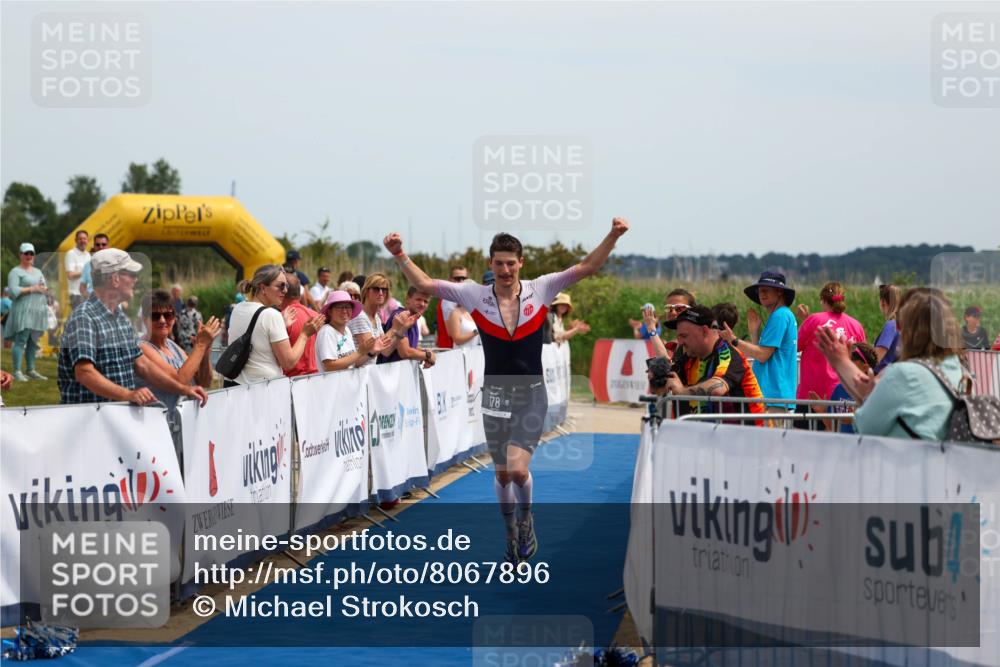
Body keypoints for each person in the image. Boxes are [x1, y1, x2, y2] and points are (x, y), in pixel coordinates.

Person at [384, 217, 629, 564]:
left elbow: (589, 266)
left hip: (531, 391)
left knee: (516, 469)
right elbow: (424, 282)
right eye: (498, 263)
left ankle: (527, 518)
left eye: (511, 263)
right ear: (490, 264)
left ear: (521, 264)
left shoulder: (541, 288)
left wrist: (613, 235)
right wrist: (400, 254)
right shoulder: (474, 293)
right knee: (501, 473)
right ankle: (510, 531)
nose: (505, 269)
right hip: (496, 392)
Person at [57, 249, 208, 406]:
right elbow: (84, 373)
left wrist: (184, 389)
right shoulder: (84, 317)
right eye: (131, 274)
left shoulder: (121, 319)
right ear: (115, 279)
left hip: (115, 420)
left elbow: (143, 365)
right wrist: (129, 394)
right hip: (89, 423)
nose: (135, 279)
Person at [816, 288, 965, 440]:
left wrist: (839, 360)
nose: (898, 329)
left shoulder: (903, 375)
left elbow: (864, 426)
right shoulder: (955, 368)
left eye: (900, 323)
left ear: (908, 330)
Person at [226, 265, 324, 386]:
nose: (285, 290)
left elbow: (258, 341)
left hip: (236, 384)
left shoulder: (238, 308)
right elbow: (288, 362)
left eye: (286, 285)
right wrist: (304, 334)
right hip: (264, 388)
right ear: (263, 288)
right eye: (280, 286)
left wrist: (281, 326)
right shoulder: (272, 315)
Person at [719, 270, 798, 418]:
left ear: (779, 291)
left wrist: (734, 340)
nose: (761, 294)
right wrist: (754, 332)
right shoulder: (783, 314)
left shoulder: (779, 316)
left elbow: (762, 355)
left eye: (766, 290)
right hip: (775, 395)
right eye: (760, 290)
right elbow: (763, 354)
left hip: (773, 397)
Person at [662, 306, 765, 418]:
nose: (680, 342)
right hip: (714, 432)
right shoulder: (689, 358)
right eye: (678, 337)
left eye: (684, 336)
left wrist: (682, 391)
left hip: (750, 431)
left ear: (705, 331)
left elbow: (718, 388)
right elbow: (667, 383)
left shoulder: (727, 353)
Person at [138, 290, 220, 410]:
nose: (162, 320)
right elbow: (179, 382)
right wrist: (200, 345)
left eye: (167, 315)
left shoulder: (174, 347)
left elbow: (204, 382)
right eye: (155, 316)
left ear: (174, 318)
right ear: (145, 320)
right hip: (156, 422)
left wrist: (206, 349)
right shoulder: (142, 348)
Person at [795, 282, 866, 401]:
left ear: (823, 300)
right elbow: (864, 358)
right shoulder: (856, 326)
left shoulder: (814, 320)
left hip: (812, 396)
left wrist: (806, 321)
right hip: (843, 397)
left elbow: (794, 347)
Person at [347, 273, 416, 367]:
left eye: (384, 289)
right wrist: (394, 329)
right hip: (357, 374)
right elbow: (373, 348)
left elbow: (385, 351)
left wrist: (402, 329)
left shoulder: (376, 317)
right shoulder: (360, 316)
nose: (380, 293)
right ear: (366, 292)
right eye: (376, 289)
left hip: (368, 373)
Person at [4, 243, 50, 381]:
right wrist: (32, 289)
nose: (29, 256)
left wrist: (44, 289)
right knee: (21, 340)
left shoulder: (38, 271)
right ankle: (17, 371)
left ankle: (31, 370)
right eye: (26, 253)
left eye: (31, 253)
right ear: (20, 255)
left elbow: (44, 287)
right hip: (23, 310)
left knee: (33, 341)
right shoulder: (15, 272)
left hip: (37, 310)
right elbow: (13, 291)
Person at [815, 341, 877, 434]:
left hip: (863, 445)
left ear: (865, 368)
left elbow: (877, 427)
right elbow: (833, 427)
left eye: (851, 360)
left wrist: (854, 420)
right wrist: (822, 412)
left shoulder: (875, 393)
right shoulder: (839, 389)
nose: (845, 364)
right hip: (843, 444)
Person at [316, 290, 383, 372]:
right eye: (339, 307)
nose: (344, 311)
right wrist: (359, 352)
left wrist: (371, 352)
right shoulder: (327, 332)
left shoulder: (347, 330)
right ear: (330, 311)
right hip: (333, 384)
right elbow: (330, 366)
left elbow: (353, 363)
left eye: (347, 307)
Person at [380, 286, 437, 367]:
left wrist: (425, 352)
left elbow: (412, 346)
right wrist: (427, 355)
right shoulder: (401, 317)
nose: (422, 304)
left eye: (426, 301)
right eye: (418, 299)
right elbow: (405, 352)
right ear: (408, 299)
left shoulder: (413, 317)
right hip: (391, 374)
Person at [280, 273, 321, 377]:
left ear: (282, 292)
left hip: (289, 381)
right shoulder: (316, 316)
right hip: (315, 378)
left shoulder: (282, 318)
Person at [435, 265, 468, 349]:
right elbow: (451, 332)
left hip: (454, 348)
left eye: (464, 278)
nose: (461, 281)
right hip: (449, 349)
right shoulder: (448, 300)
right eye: (457, 278)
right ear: (450, 279)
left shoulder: (455, 298)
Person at [873, 284, 902, 373]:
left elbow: (876, 357)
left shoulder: (891, 325)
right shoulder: (903, 324)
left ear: (883, 302)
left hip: (882, 376)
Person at [79, 233, 110, 300]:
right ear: (94, 246)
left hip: (111, 304)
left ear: (108, 246)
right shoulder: (88, 265)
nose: (100, 247)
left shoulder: (117, 264)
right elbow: (82, 286)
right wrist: (88, 297)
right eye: (97, 245)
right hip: (93, 304)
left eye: (103, 244)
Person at [65, 230, 91, 309]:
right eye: (80, 239)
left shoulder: (88, 255)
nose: (82, 241)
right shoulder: (71, 254)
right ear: (76, 240)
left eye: (84, 239)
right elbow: (70, 275)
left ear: (87, 240)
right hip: (76, 295)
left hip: (88, 294)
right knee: (80, 320)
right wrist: (86, 272)